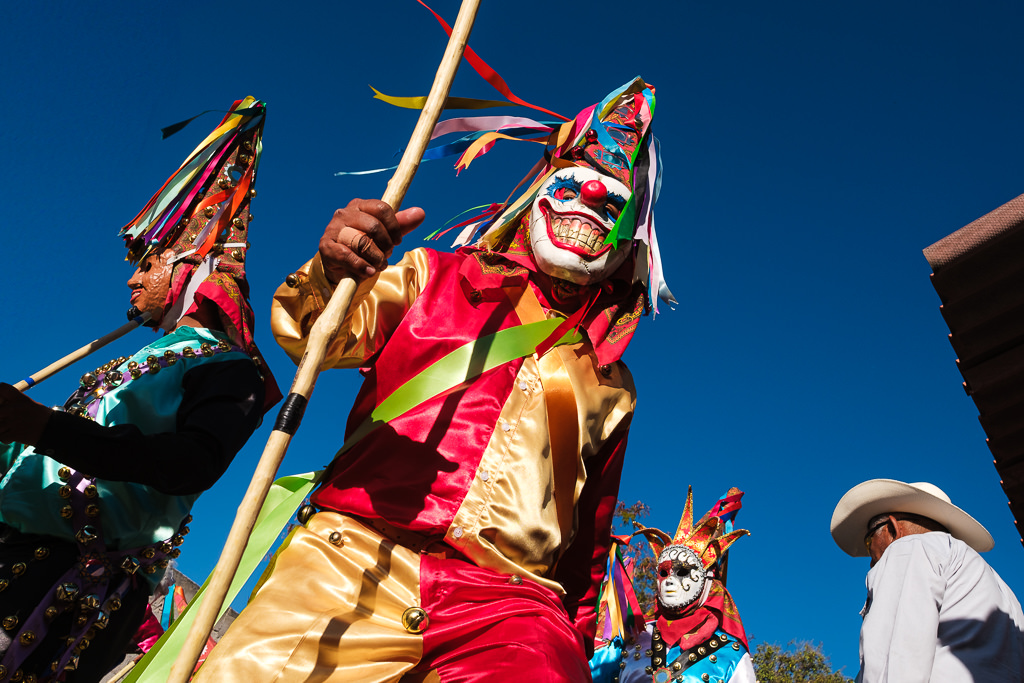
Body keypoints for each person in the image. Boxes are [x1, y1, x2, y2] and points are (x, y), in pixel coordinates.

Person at [195, 78, 673, 682]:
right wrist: (336, 270)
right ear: (536, 193)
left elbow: (585, 548)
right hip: (350, 560)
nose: (587, 207)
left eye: (610, 205)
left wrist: (569, 639)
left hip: (508, 609)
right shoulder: (437, 275)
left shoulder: (611, 380)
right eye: (573, 185)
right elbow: (318, 336)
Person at [0, 97, 280, 682]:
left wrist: (40, 426)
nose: (131, 277)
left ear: (186, 268)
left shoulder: (231, 370)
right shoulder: (144, 361)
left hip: (64, 588)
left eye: (147, 263)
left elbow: (189, 464)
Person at [830, 478, 1024, 682]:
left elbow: (894, 659)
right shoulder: (1003, 592)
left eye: (869, 541)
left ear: (893, 528)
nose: (871, 561)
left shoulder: (909, 548)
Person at [589, 488, 755, 683]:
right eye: (663, 573)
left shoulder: (731, 656)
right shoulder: (631, 640)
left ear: (706, 581)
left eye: (683, 572)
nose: (669, 580)